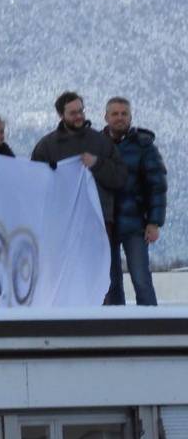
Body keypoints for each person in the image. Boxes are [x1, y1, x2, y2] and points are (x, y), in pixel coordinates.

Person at [30, 91, 126, 237]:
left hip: (97, 220)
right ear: (61, 115)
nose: (79, 116)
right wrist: (50, 174)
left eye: (81, 111)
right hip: (61, 223)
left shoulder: (101, 142)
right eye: (73, 113)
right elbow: (35, 185)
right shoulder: (46, 147)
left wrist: (97, 163)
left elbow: (120, 178)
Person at [102, 97, 166, 306]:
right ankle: (114, 330)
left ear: (130, 117)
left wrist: (154, 222)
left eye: (124, 114)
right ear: (106, 117)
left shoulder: (144, 146)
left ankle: (152, 328)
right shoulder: (96, 144)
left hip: (135, 224)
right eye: (115, 114)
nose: (120, 118)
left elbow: (157, 185)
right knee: (109, 282)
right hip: (105, 225)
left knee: (141, 279)